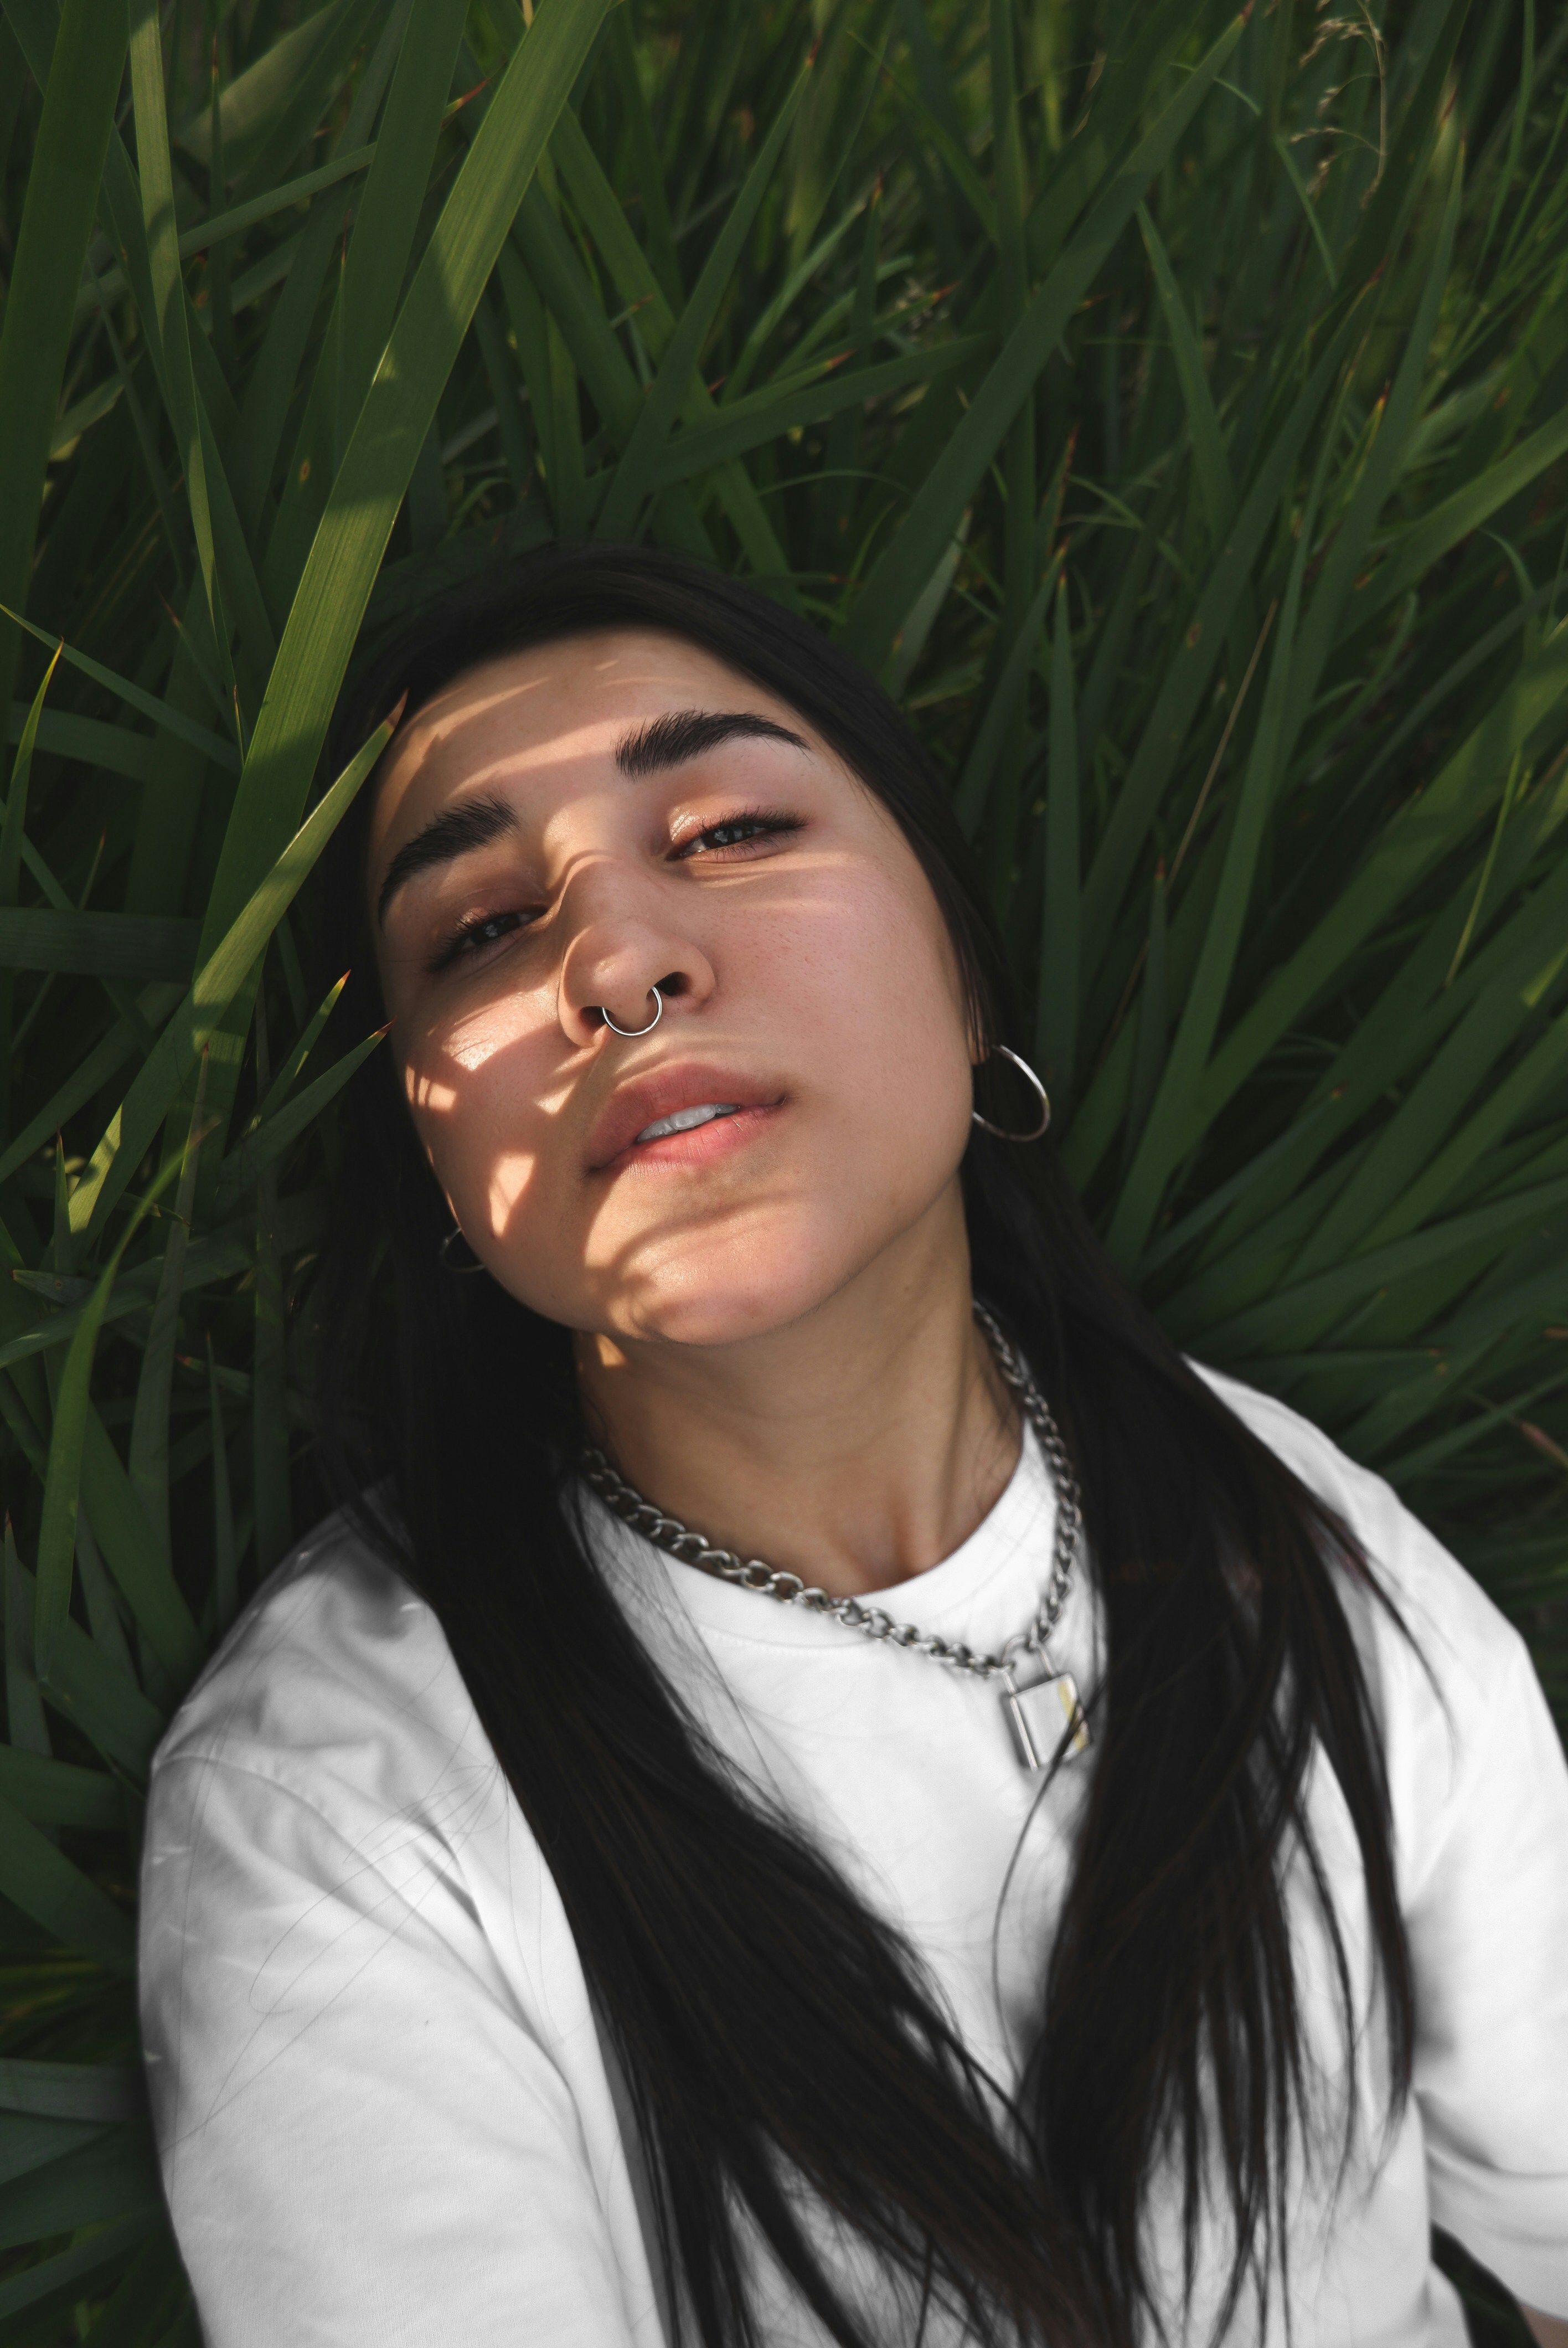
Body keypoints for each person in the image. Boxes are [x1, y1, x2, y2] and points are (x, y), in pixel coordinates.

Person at [137, 545, 1568, 2348]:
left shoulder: (1279, 1525)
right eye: (480, 931)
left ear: (967, 982)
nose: (619, 960)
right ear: (434, 1161)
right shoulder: (346, 1817)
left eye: (730, 826)